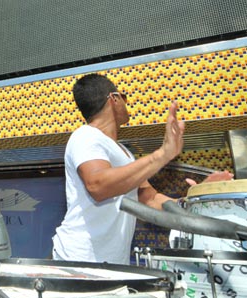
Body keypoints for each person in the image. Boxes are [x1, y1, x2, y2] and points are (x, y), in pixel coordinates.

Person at [51, 73, 232, 264]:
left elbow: (150, 200)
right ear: (114, 99)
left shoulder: (124, 154)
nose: (127, 103)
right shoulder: (85, 136)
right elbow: (98, 185)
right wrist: (162, 154)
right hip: (78, 260)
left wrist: (196, 198)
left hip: (112, 264)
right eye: (124, 97)